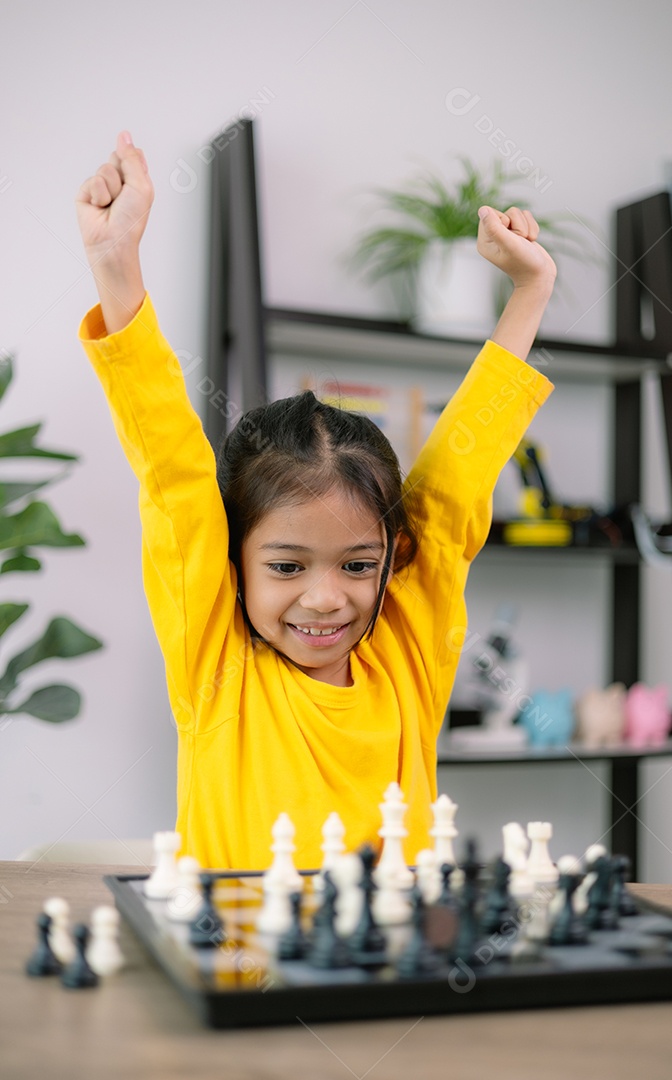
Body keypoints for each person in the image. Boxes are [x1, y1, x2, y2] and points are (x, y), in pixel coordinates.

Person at [76, 131, 555, 870]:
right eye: (289, 567)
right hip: (238, 981)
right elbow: (173, 475)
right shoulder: (216, 664)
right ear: (232, 562)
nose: (327, 599)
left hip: (387, 985)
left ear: (395, 559)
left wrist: (530, 293)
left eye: (357, 565)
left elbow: (455, 490)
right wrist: (116, 267)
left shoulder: (407, 655)